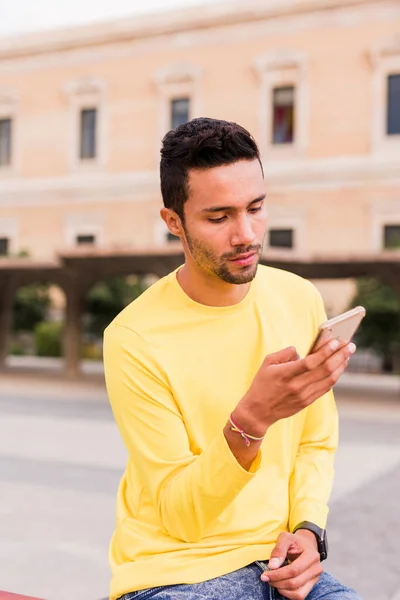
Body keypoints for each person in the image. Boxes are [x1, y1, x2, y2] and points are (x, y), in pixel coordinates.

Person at [103, 118, 362, 600]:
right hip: (176, 574)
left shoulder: (298, 297)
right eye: (219, 217)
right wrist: (253, 418)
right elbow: (182, 517)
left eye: (256, 208)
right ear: (173, 222)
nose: (246, 235)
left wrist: (309, 532)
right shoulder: (133, 337)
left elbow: (315, 440)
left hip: (281, 565)